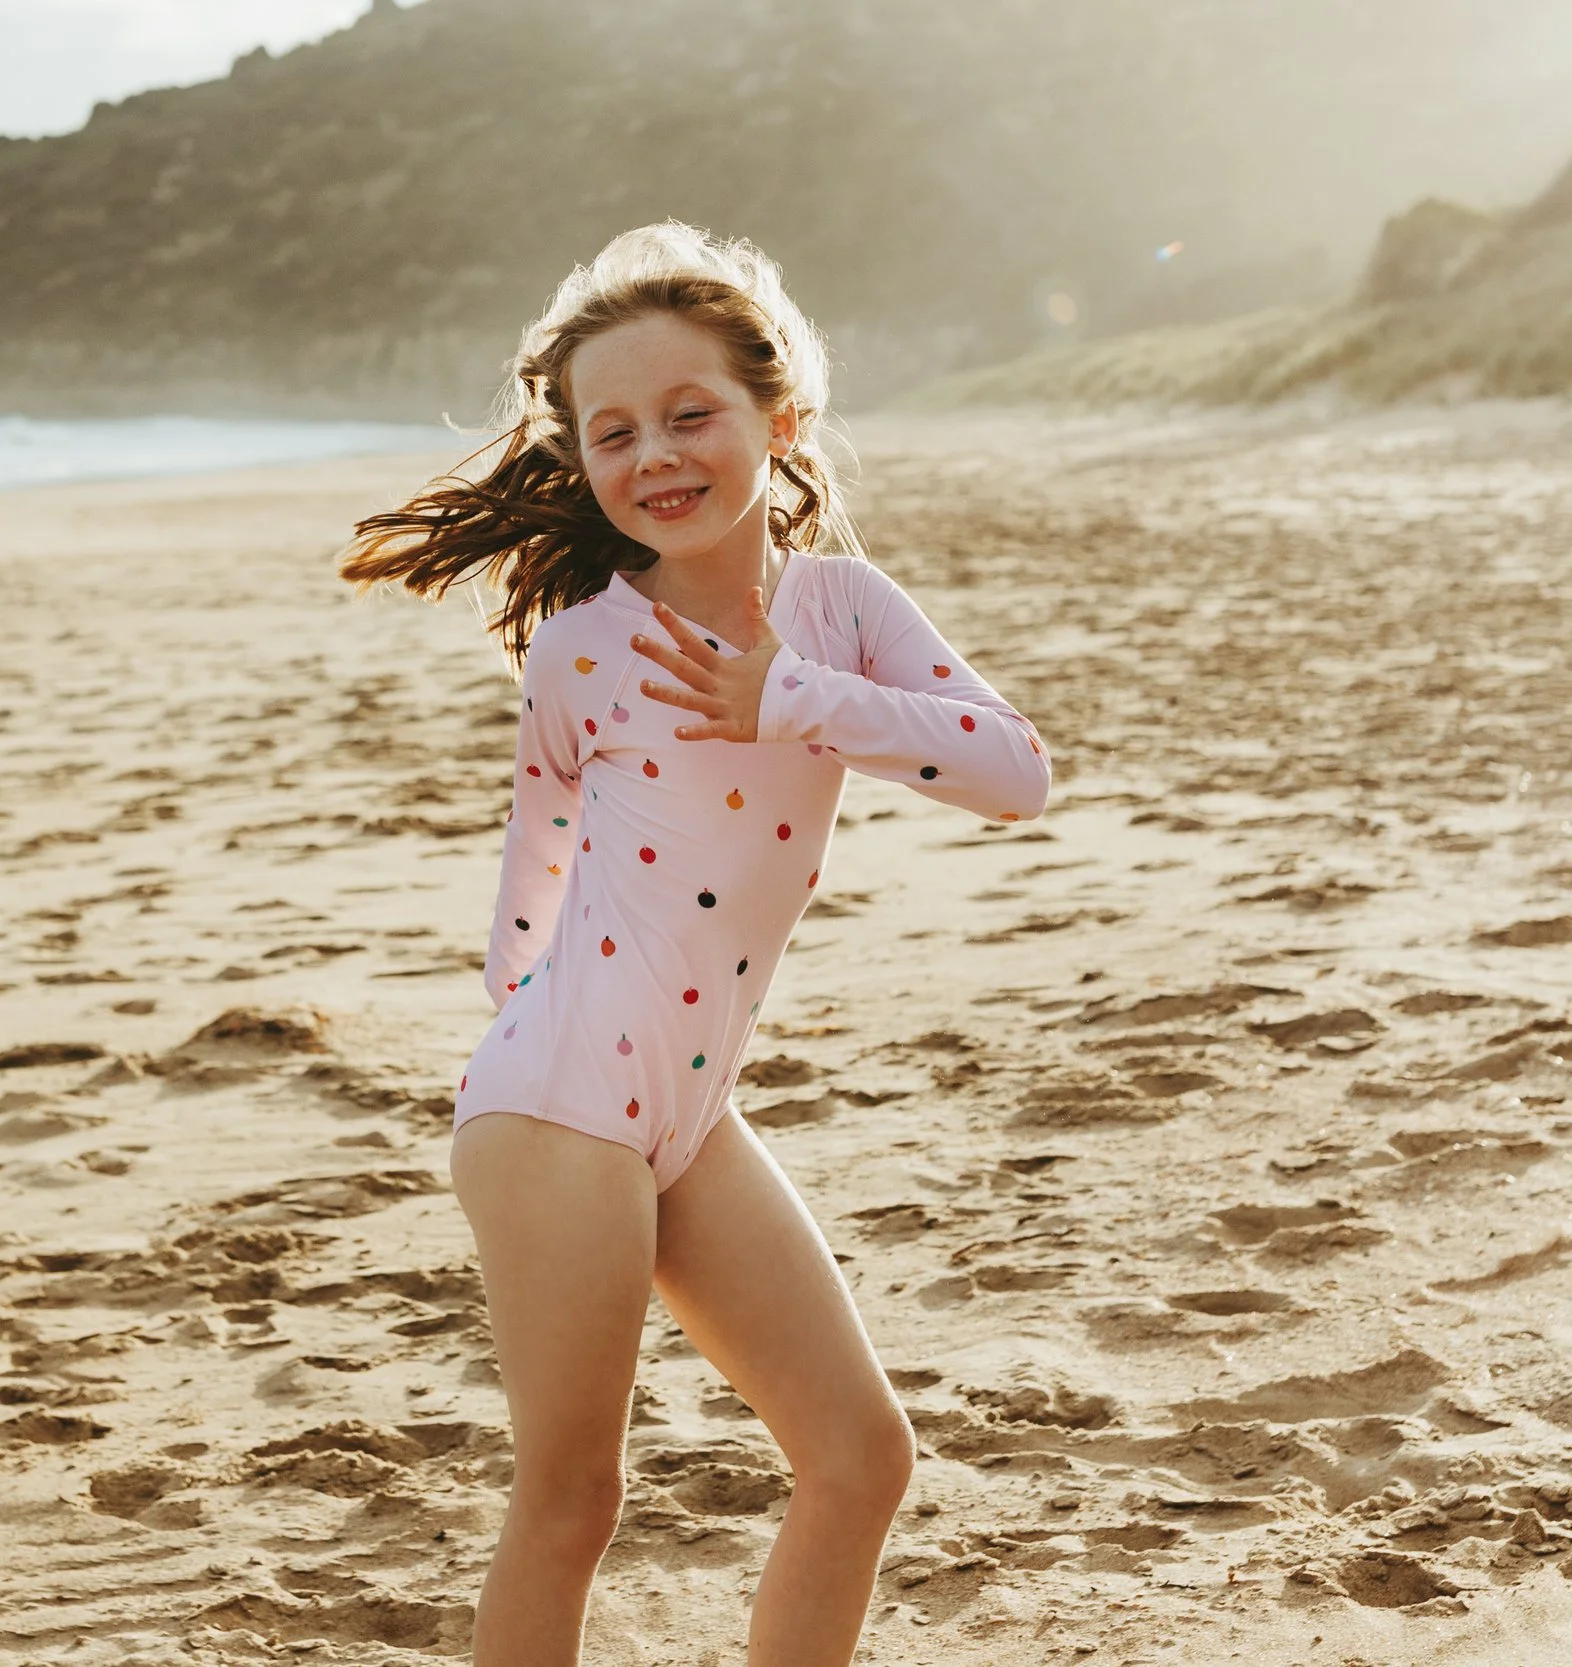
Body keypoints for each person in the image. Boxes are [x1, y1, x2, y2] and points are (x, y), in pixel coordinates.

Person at [339, 222, 1050, 1667]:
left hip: (689, 1112)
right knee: (573, 1500)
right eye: (613, 433)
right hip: (559, 1110)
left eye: (689, 415)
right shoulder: (582, 648)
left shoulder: (842, 614)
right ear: (582, 460)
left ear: (776, 421)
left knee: (860, 1459)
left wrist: (790, 695)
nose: (654, 455)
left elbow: (1012, 773)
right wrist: (541, 1041)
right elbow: (528, 874)